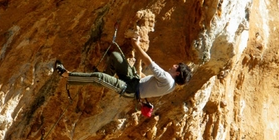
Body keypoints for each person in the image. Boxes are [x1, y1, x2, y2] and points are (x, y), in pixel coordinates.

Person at [54, 37, 192, 100]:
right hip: (134, 81)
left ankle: (67, 75)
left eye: (176, 66)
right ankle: (103, 77)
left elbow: (148, 61)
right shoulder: (171, 85)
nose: (173, 65)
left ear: (177, 72)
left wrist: (136, 45)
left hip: (129, 89)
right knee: (116, 57)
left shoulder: (168, 79)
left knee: (98, 77)